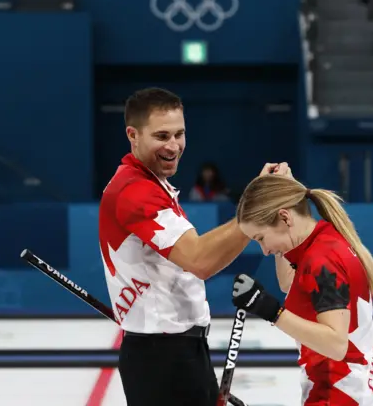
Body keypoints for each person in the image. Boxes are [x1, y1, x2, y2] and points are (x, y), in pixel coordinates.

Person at [97, 87, 291, 406]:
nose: (173, 146)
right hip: (163, 359)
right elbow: (199, 260)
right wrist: (256, 208)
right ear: (133, 135)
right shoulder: (134, 192)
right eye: (161, 136)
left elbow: (200, 261)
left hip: (177, 353)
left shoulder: (150, 185)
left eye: (179, 134)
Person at [230, 173, 373, 406]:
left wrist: (271, 310)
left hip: (338, 393)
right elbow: (289, 283)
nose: (264, 250)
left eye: (261, 238)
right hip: (356, 388)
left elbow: (335, 344)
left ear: (285, 218)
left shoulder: (321, 261)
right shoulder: (325, 239)